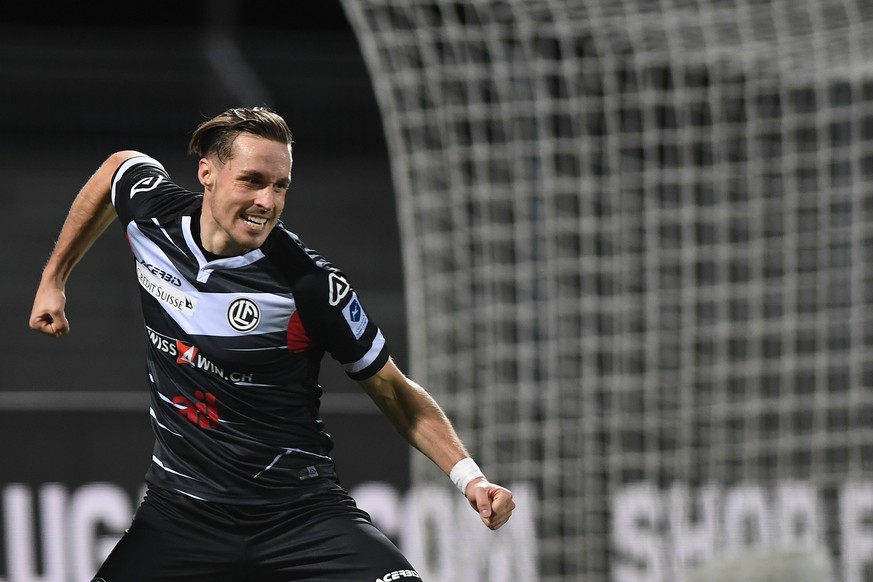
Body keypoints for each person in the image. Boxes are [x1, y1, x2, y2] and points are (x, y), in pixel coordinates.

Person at [29, 106, 515, 581]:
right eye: (253, 180)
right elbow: (118, 168)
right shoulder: (154, 218)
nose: (268, 201)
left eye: (280, 186)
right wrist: (55, 279)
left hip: (300, 516)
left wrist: (469, 477)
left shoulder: (309, 285)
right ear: (207, 173)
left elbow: (394, 391)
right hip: (180, 516)